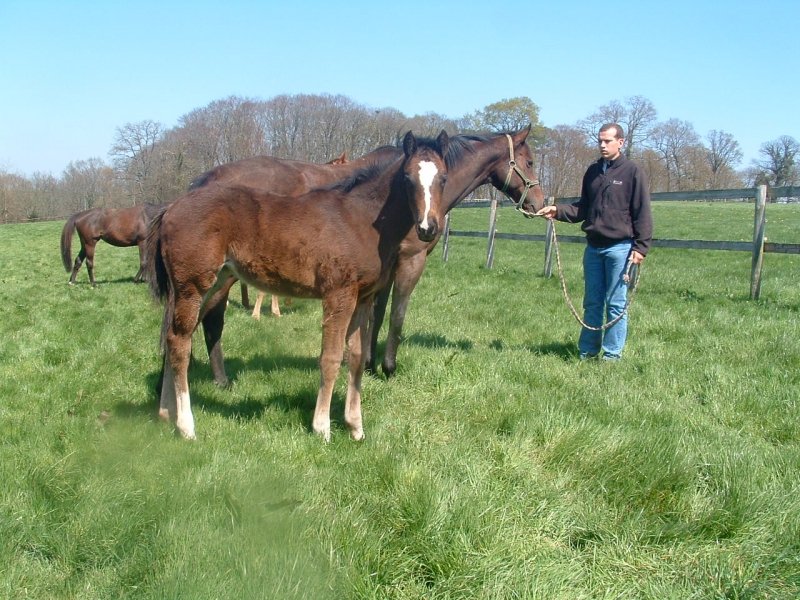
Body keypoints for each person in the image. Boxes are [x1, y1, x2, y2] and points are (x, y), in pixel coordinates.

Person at [536, 123, 652, 361]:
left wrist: (641, 247)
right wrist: (557, 210)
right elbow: (583, 208)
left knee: (616, 304)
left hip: (620, 249)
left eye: (607, 141)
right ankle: (587, 352)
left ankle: (611, 356)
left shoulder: (633, 172)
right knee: (592, 303)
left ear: (620, 142)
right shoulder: (592, 172)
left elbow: (642, 212)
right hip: (593, 249)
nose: (602, 145)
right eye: (600, 141)